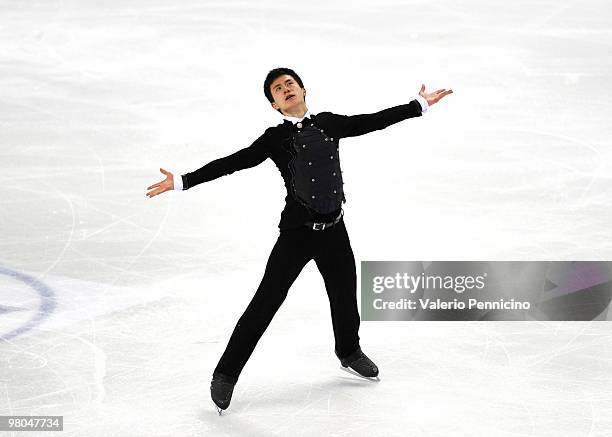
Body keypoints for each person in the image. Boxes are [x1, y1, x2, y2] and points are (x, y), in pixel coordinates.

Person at [146, 67, 453, 414]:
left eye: (289, 83)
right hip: (297, 235)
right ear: (275, 105)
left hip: (334, 229)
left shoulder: (331, 123)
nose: (285, 89)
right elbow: (234, 162)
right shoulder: (274, 138)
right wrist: (183, 181)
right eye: (278, 89)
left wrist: (417, 105)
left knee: (344, 295)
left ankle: (349, 351)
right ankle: (226, 374)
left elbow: (372, 121)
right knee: (265, 302)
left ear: (304, 90)